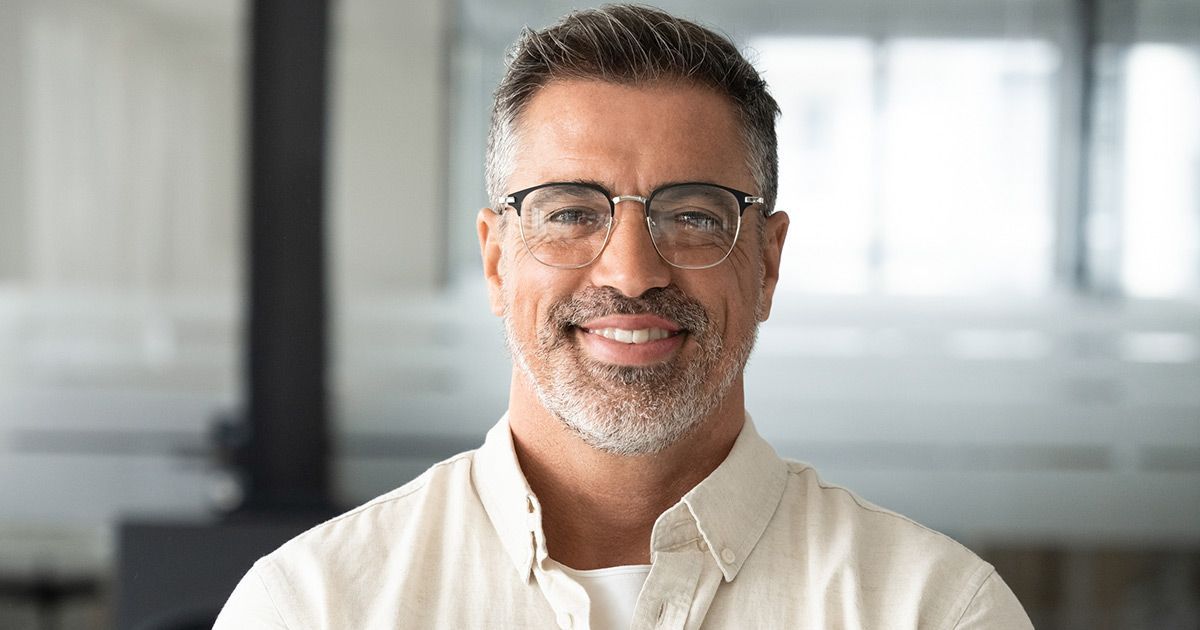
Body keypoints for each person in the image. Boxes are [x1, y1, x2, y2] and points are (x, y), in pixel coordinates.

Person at [215, 5, 1033, 629]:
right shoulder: (314, 607)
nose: (633, 273)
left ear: (769, 263)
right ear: (498, 259)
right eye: (571, 211)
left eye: (696, 217)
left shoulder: (931, 609)